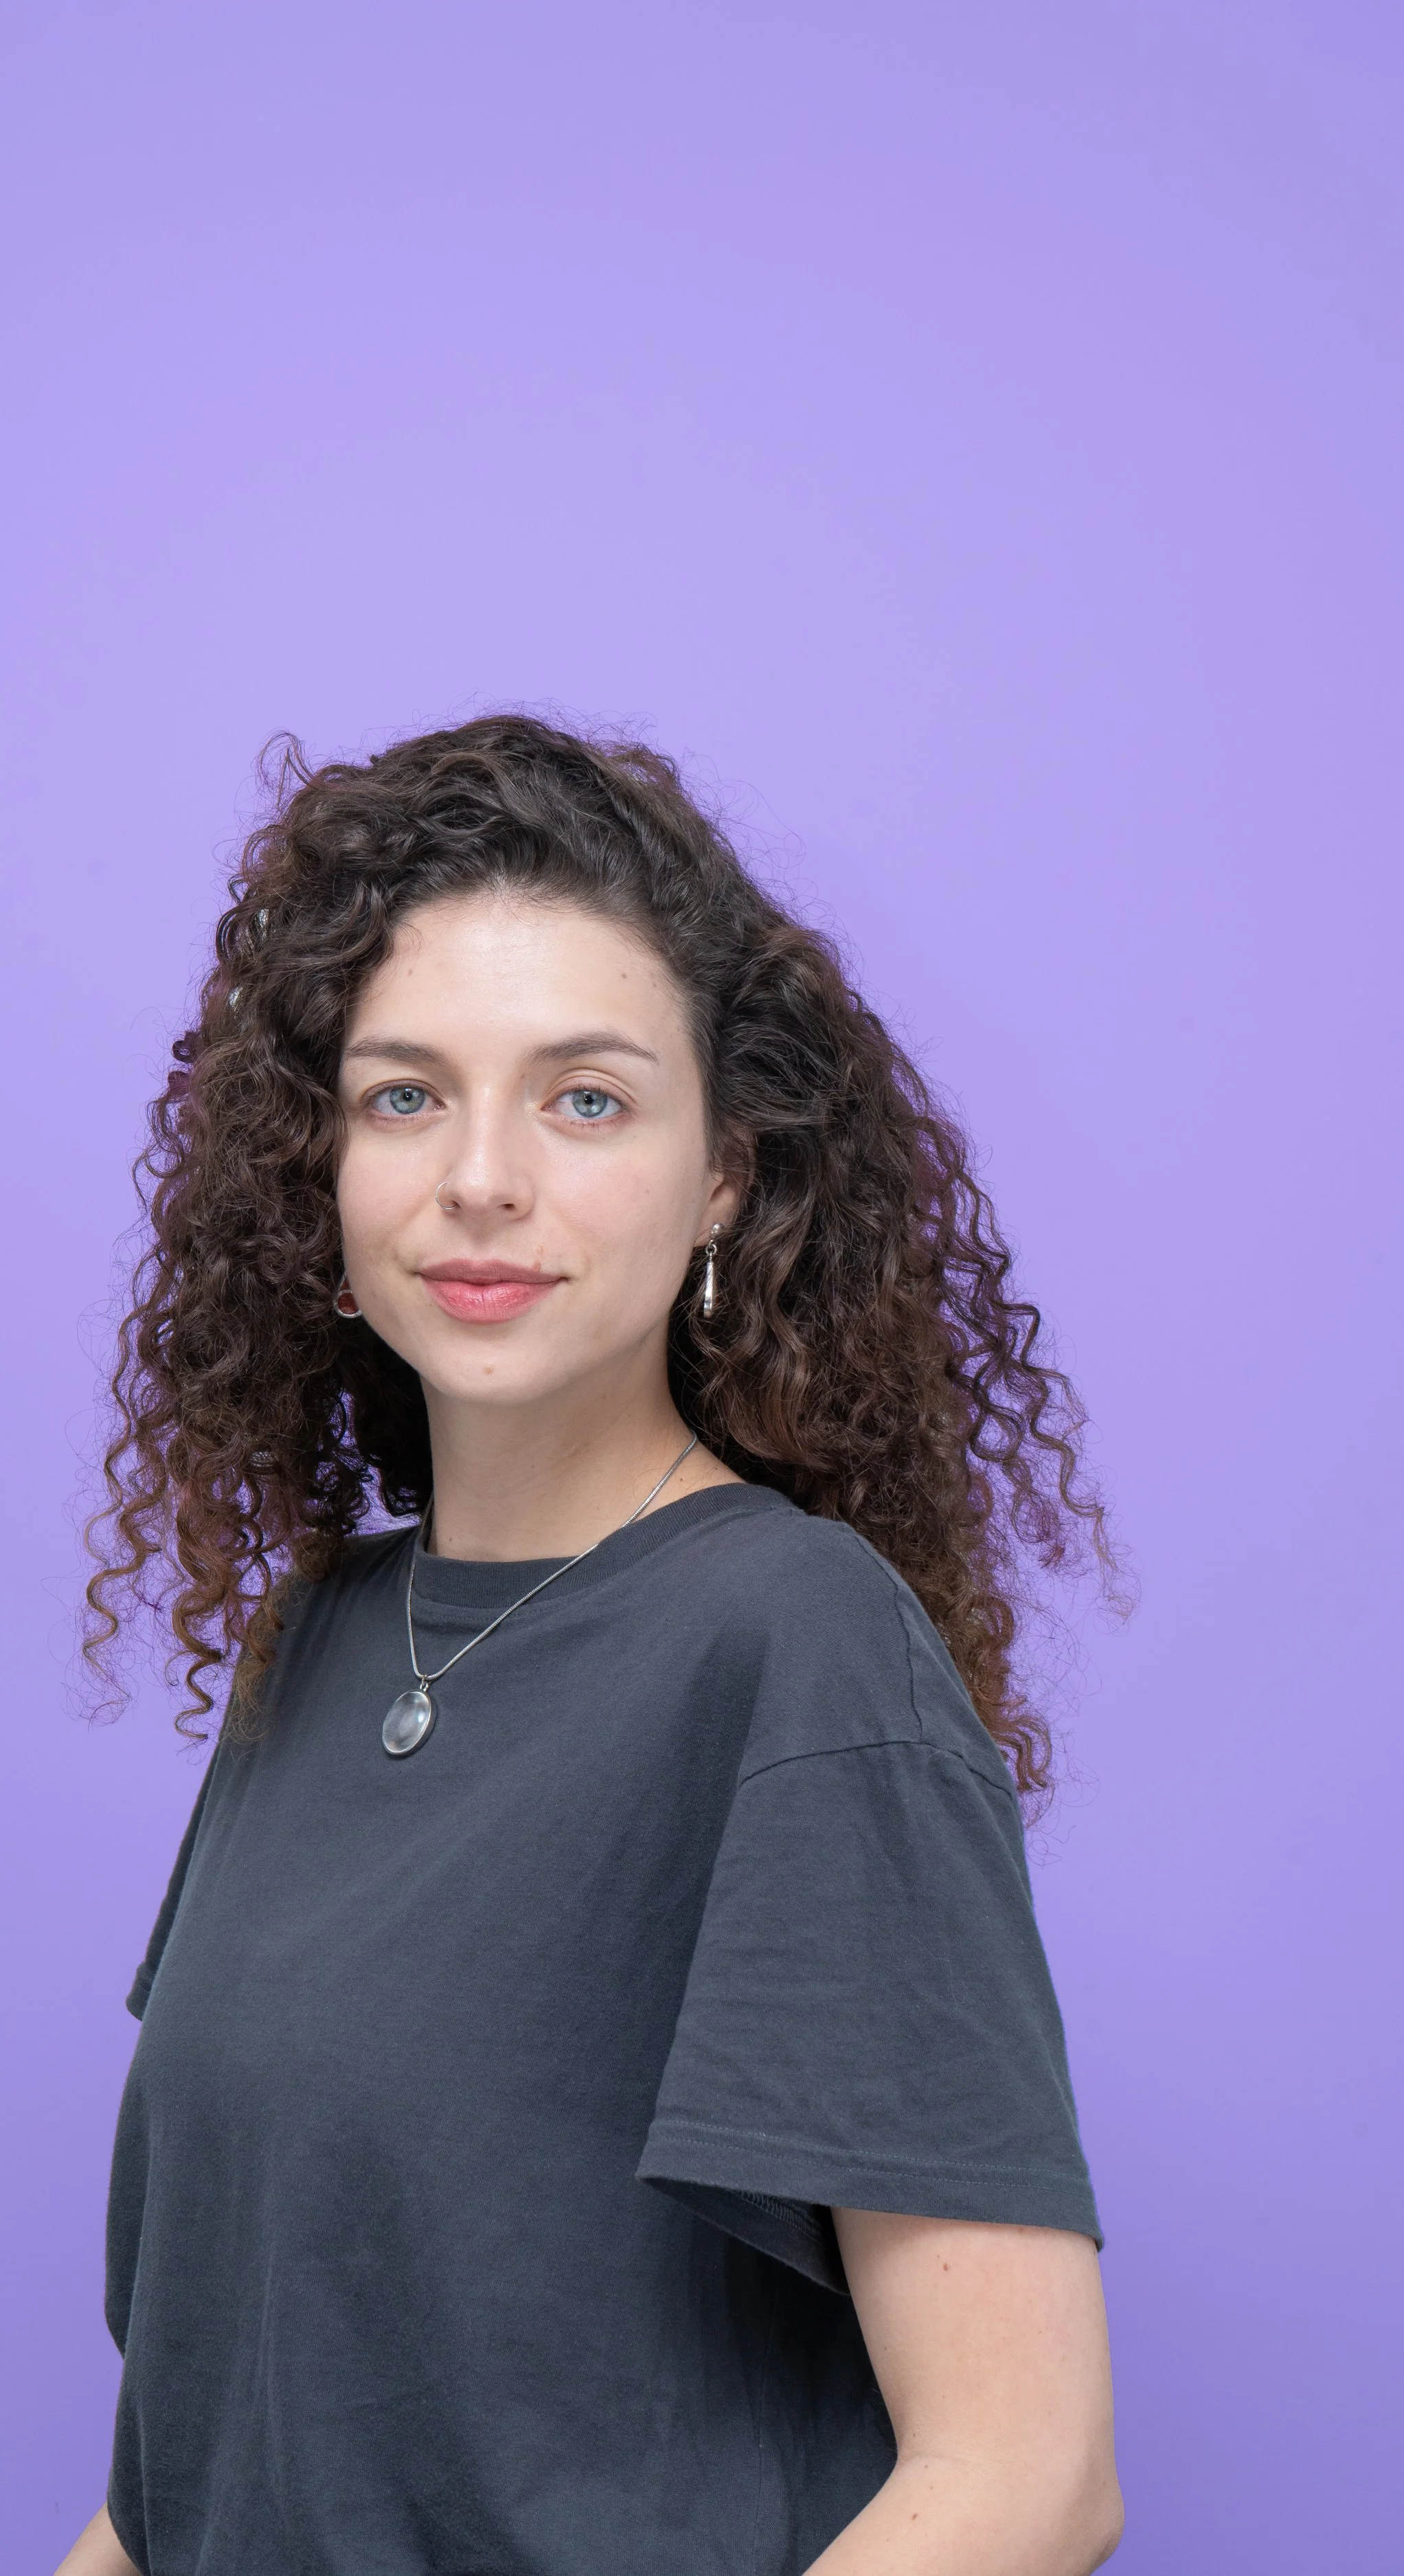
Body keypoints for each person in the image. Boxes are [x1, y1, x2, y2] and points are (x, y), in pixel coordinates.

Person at [56, 716, 1124, 2576]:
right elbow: (192, 2465)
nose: (479, 1176)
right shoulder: (315, 1646)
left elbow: (1024, 2480)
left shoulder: (791, 1651)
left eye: (584, 1097)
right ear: (316, 1175)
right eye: (404, 1096)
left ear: (726, 1175)